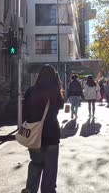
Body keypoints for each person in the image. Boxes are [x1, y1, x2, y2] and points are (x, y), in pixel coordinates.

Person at [21, 65, 64, 193]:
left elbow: (24, 113)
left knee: (35, 164)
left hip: (34, 134)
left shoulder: (30, 91)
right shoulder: (56, 92)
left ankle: (30, 190)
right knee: (50, 169)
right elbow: (60, 107)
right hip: (51, 134)